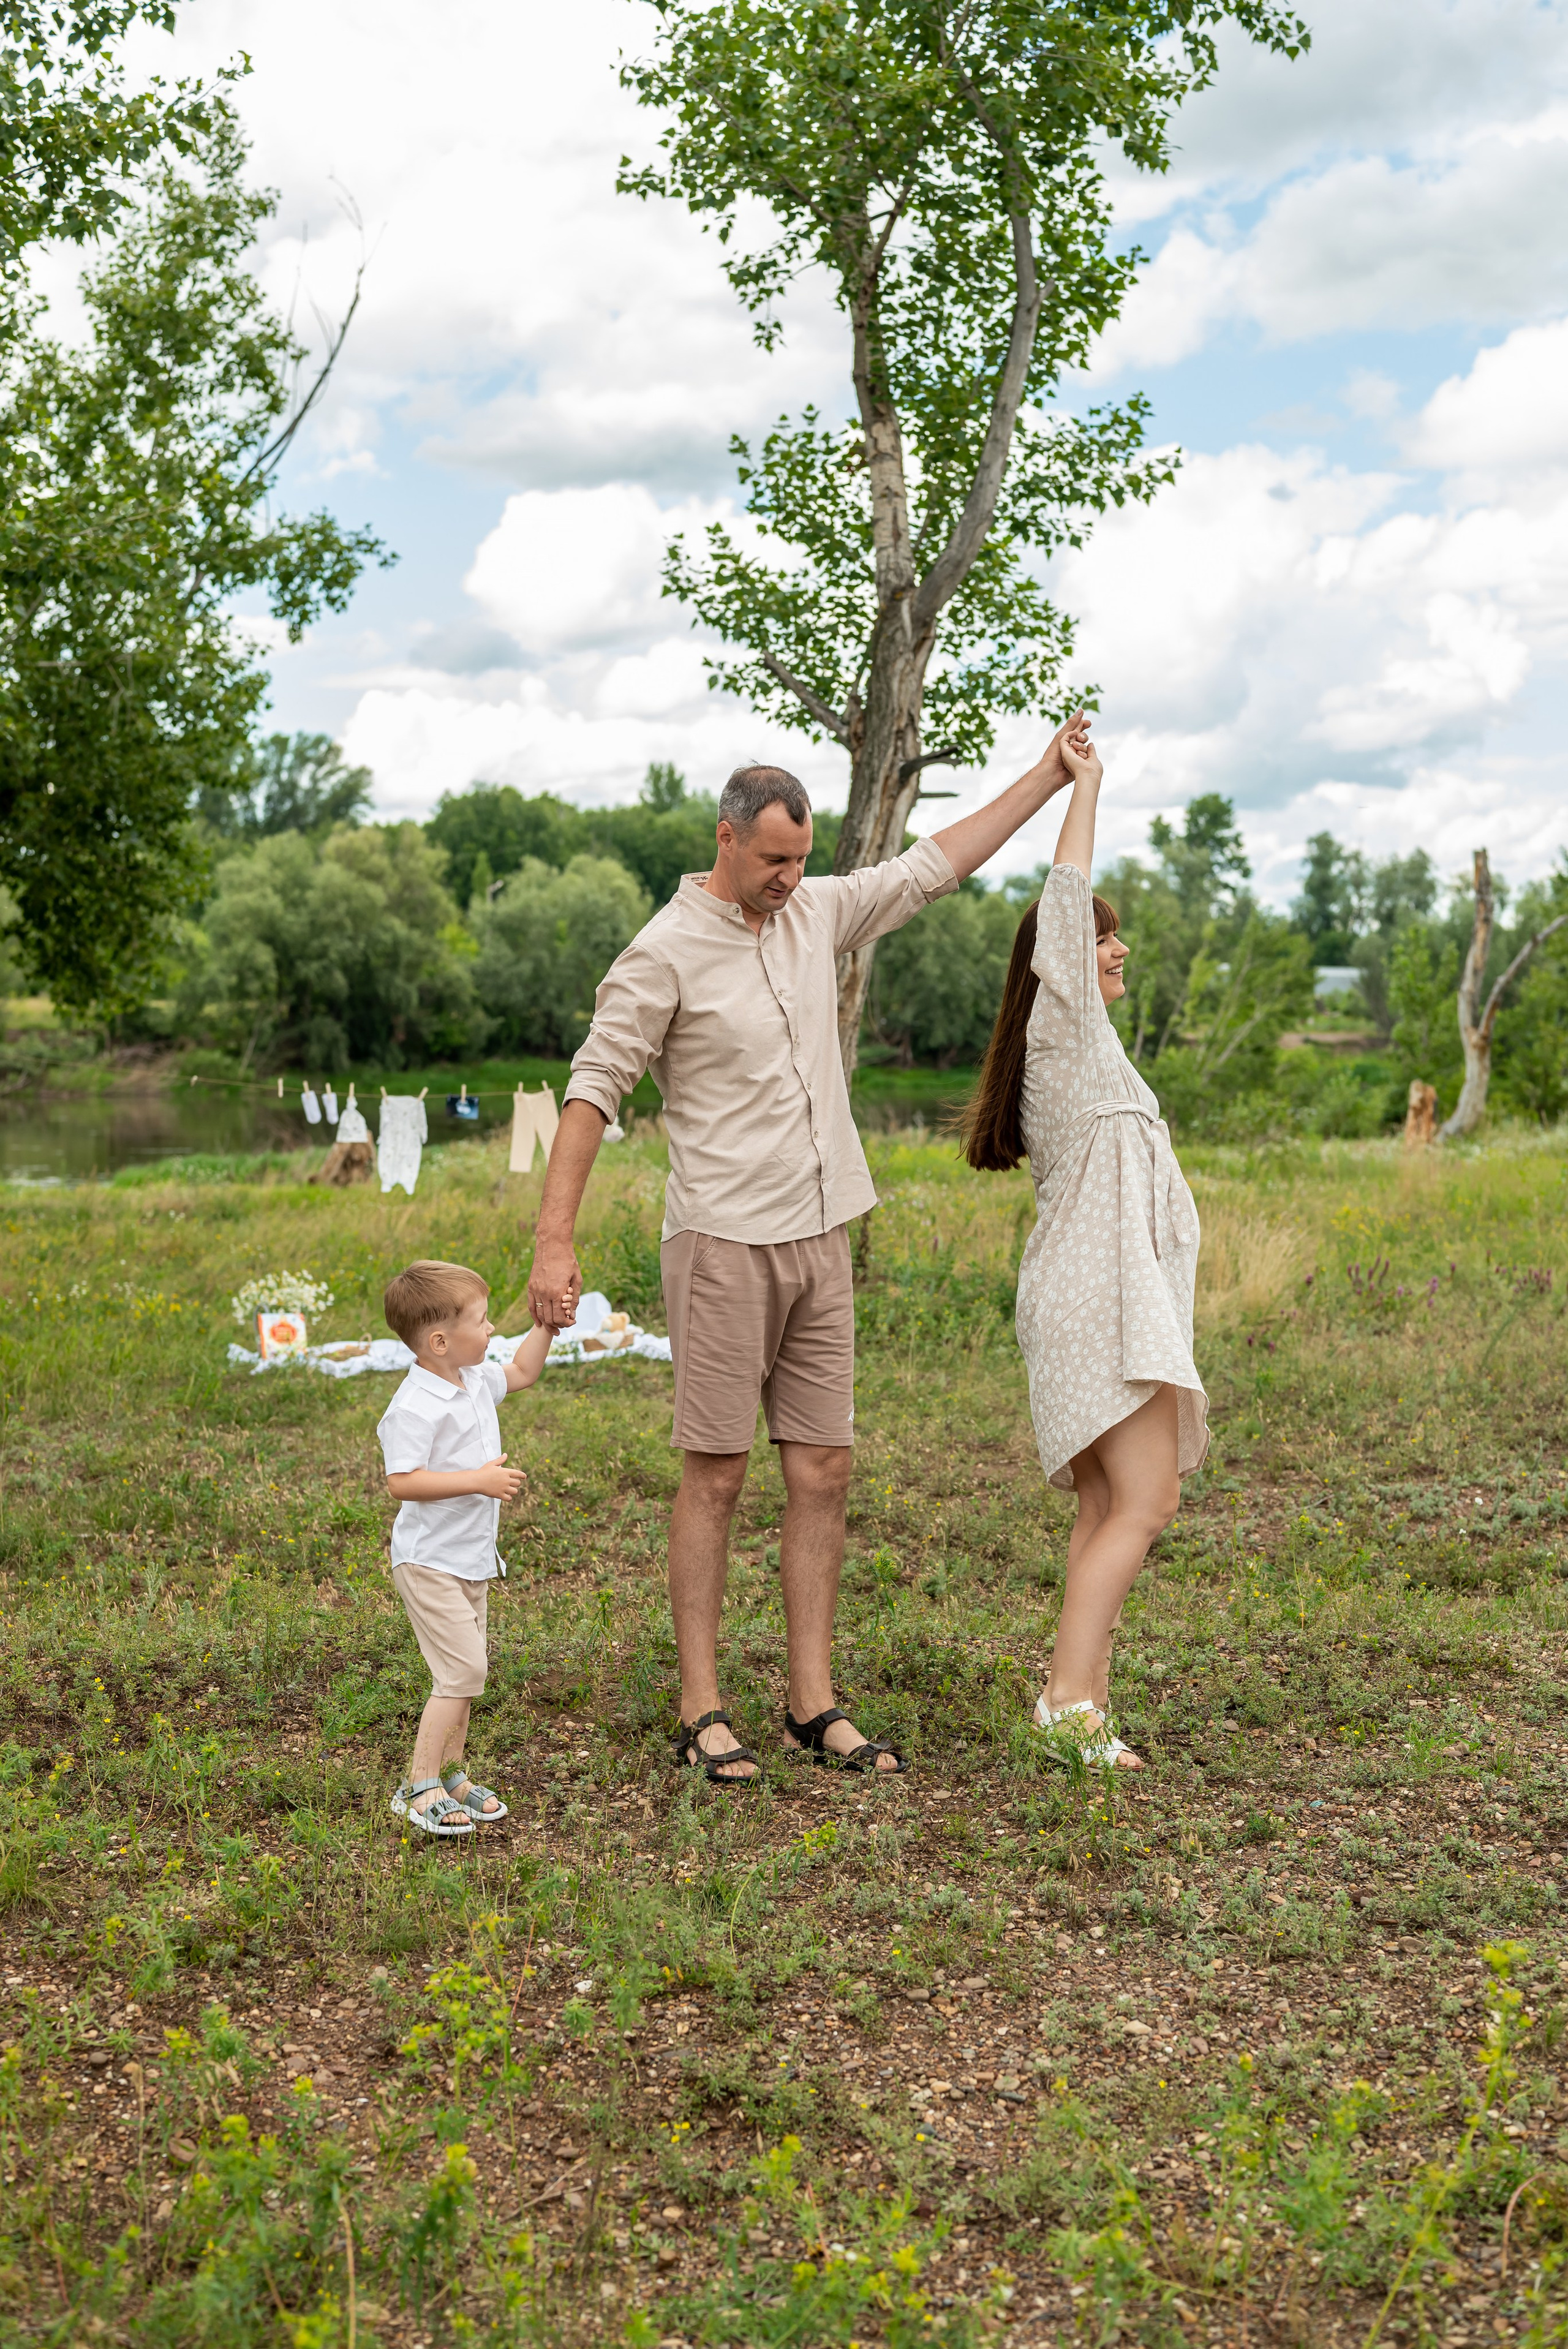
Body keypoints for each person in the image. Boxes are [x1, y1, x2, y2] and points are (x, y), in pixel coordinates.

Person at [526, 730, 1085, 1783]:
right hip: (723, 1241)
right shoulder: (663, 951)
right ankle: (701, 1706)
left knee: (823, 1467)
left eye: (801, 858)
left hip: (821, 1233)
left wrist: (1049, 776)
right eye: (773, 859)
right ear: (726, 839)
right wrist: (555, 1244)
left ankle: (811, 1699)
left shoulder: (817, 912)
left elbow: (936, 865)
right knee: (718, 1475)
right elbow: (591, 1092)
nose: (791, 878)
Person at [963, 717, 1207, 1770]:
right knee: (1146, 1501)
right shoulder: (1064, 1031)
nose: (1116, 948)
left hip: (1100, 1293)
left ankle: (1080, 1702)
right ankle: (1070, 1705)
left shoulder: (1078, 1051)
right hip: (1093, 1299)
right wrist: (1082, 786)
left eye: (1118, 937)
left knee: (1111, 1502)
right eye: (1100, 938)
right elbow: (1066, 898)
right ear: (1058, 965)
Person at [378, 1259, 564, 1835]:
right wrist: (477, 1481)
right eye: (481, 1322)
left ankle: (452, 1774)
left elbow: (525, 1372)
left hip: (470, 1560)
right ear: (439, 1341)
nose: (490, 1332)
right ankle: (418, 1785)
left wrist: (549, 1327)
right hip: (428, 1560)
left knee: (466, 1674)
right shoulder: (414, 1406)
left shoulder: (475, 1378)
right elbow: (401, 1481)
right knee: (462, 1671)